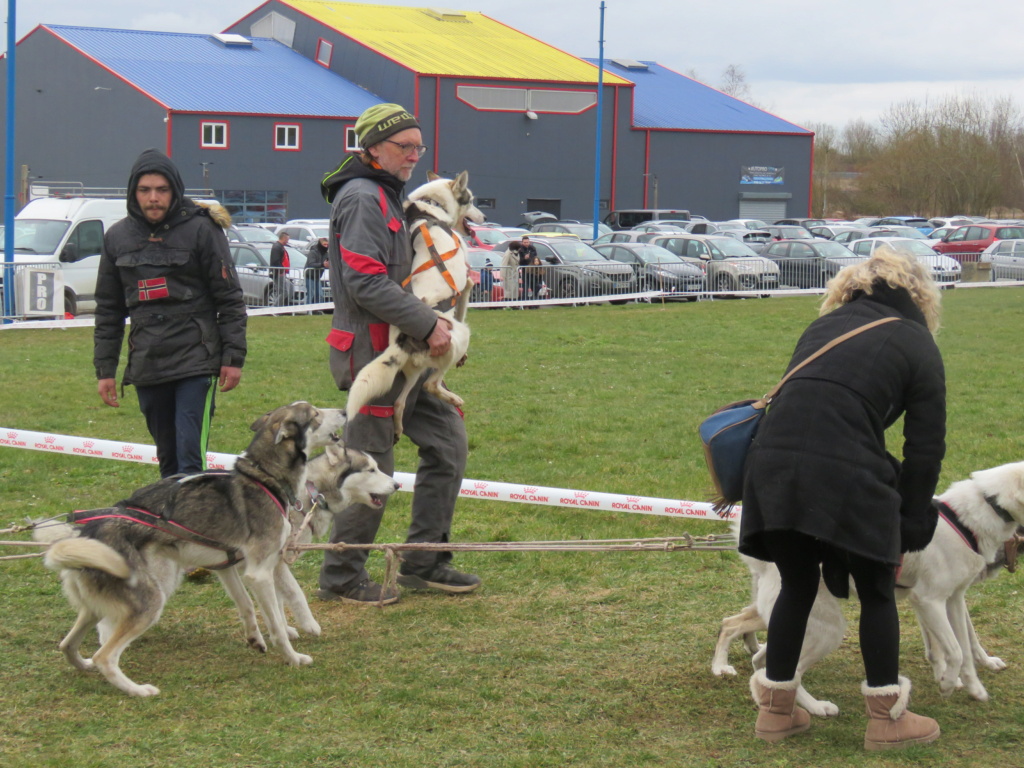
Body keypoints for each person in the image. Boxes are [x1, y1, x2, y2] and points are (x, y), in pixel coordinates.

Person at [737, 246, 945, 750]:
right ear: (918, 294)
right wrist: (914, 517)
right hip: (846, 470)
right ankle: (887, 719)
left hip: (771, 466)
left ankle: (776, 713)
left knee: (797, 583)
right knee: (876, 591)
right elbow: (925, 447)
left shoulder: (821, 329)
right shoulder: (916, 341)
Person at [317, 102, 481, 605]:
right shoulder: (364, 197)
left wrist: (441, 323)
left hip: (407, 358)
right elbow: (363, 280)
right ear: (370, 148)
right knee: (370, 469)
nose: (413, 155)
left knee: (448, 446)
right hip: (373, 358)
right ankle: (342, 578)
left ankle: (424, 560)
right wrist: (429, 323)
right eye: (403, 147)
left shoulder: (386, 194)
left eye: (418, 146)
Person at [94, 148, 247, 479]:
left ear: (174, 190)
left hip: (196, 358)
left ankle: (194, 527)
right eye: (145, 190)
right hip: (148, 362)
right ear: (133, 193)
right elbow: (108, 310)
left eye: (161, 190)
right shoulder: (116, 237)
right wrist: (105, 370)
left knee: (190, 457)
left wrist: (233, 358)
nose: (153, 198)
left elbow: (230, 299)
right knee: (168, 461)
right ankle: (171, 529)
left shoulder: (203, 230)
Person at [305, 236, 329, 310]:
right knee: (311, 295)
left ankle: (317, 310)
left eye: (327, 245)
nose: (326, 246)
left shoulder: (326, 253)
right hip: (310, 276)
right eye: (324, 244)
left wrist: (328, 265)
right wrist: (322, 265)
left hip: (317, 276)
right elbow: (311, 264)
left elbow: (327, 263)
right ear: (320, 244)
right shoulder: (313, 252)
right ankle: (308, 310)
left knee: (320, 295)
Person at [270, 230, 291, 306]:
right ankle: (274, 308)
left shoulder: (279, 246)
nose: (287, 241)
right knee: (283, 292)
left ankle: (277, 309)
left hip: (281, 272)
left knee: (281, 292)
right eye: (287, 239)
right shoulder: (277, 247)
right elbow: (275, 261)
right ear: (284, 239)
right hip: (279, 273)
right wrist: (281, 269)